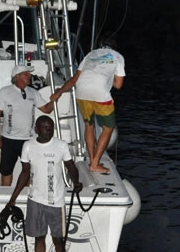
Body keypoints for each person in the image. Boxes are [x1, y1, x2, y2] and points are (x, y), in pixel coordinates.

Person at [3, 115, 82, 252]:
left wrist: (76, 182)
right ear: (36, 129)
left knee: (58, 242)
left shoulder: (61, 145)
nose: (48, 130)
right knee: (39, 239)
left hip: (56, 201)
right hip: (35, 200)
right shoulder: (29, 146)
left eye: (51, 127)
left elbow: (71, 167)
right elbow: (24, 173)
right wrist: (13, 198)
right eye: (44, 127)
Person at [54, 37, 126, 174]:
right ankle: (95, 163)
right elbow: (118, 85)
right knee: (108, 128)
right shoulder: (118, 57)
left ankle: (92, 159)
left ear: (100, 46)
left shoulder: (90, 55)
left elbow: (75, 79)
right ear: (114, 47)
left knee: (89, 125)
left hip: (81, 92)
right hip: (100, 94)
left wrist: (59, 92)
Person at [0, 64, 56, 187]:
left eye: (29, 73)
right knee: (6, 170)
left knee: (28, 170)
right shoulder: (4, 92)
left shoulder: (33, 92)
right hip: (9, 139)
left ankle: (26, 197)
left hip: (29, 140)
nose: (30, 76)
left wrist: (55, 99)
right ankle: (6, 196)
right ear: (17, 76)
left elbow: (47, 110)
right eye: (26, 74)